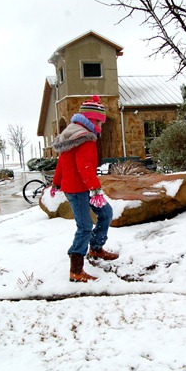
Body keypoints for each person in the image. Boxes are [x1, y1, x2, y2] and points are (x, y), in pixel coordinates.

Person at [51, 95, 119, 283]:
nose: (102, 125)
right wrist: (95, 190)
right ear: (92, 120)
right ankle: (76, 270)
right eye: (100, 121)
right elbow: (86, 167)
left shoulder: (73, 134)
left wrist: (56, 183)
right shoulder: (85, 138)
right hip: (77, 189)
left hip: (82, 187)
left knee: (105, 213)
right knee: (85, 227)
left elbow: (61, 163)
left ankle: (96, 249)